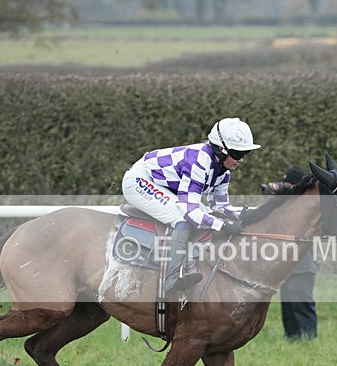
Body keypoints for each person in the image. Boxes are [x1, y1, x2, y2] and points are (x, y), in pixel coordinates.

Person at [122, 117, 260, 295]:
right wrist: (222, 225)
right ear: (221, 150)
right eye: (238, 155)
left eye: (245, 154)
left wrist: (255, 214)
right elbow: (190, 212)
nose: (241, 160)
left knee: (209, 217)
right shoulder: (199, 162)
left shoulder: (223, 171)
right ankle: (170, 280)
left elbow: (221, 207)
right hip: (140, 181)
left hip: (165, 186)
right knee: (183, 219)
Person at [262, 166, 318, 341]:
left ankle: (308, 337)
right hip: (285, 264)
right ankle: (292, 336)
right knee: (288, 303)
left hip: (302, 265)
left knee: (301, 302)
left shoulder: (305, 205)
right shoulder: (287, 203)